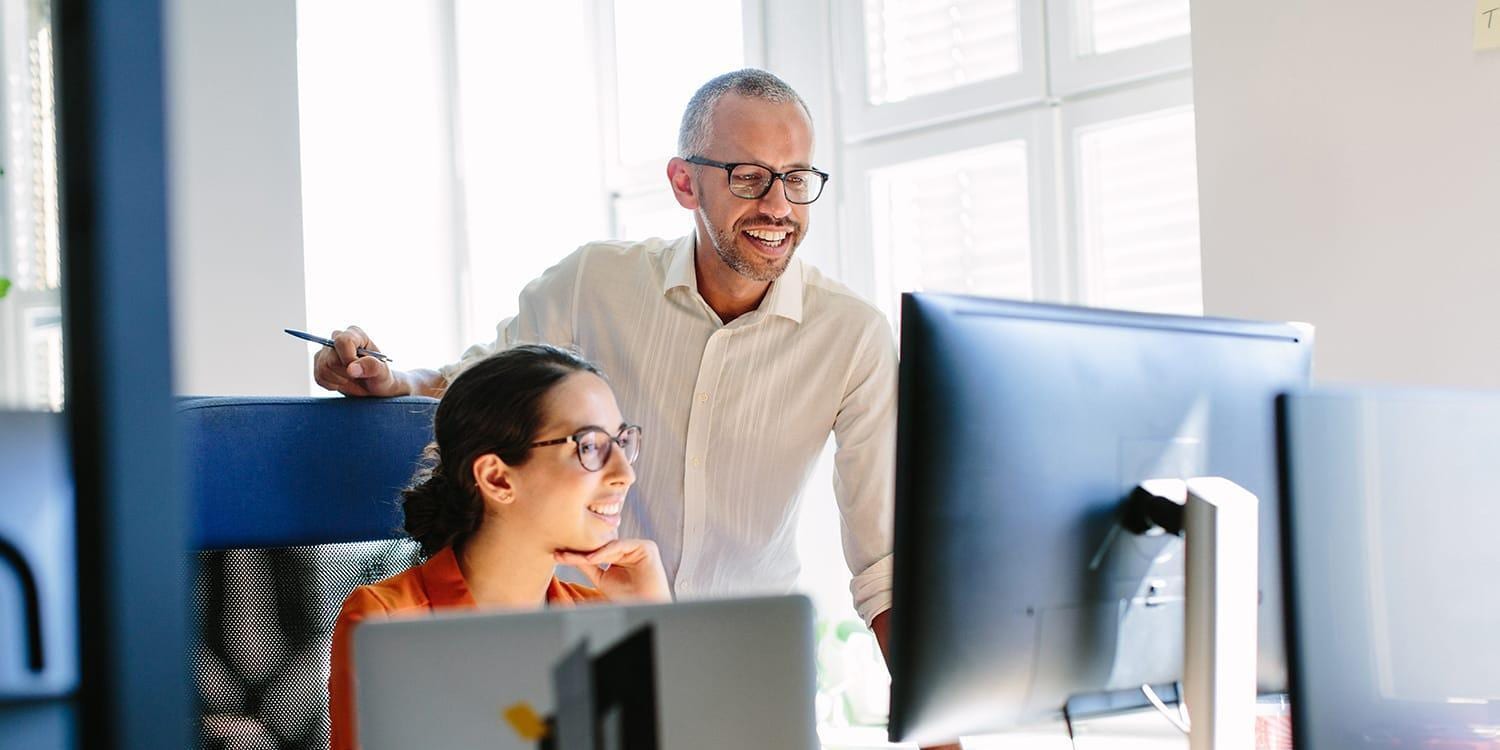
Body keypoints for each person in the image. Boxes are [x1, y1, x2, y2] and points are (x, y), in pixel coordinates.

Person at [316, 65, 898, 686]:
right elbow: (486, 378)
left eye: (797, 178)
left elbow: (884, 562)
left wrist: (941, 732)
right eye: (749, 177)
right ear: (684, 182)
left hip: (745, 666)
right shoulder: (595, 281)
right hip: (580, 645)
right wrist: (393, 379)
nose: (778, 206)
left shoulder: (852, 334)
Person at [327, 344, 671, 750]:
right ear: (498, 479)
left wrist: (657, 622)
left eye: (622, 441)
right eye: (591, 446)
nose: (626, 474)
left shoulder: (599, 618)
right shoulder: (389, 624)